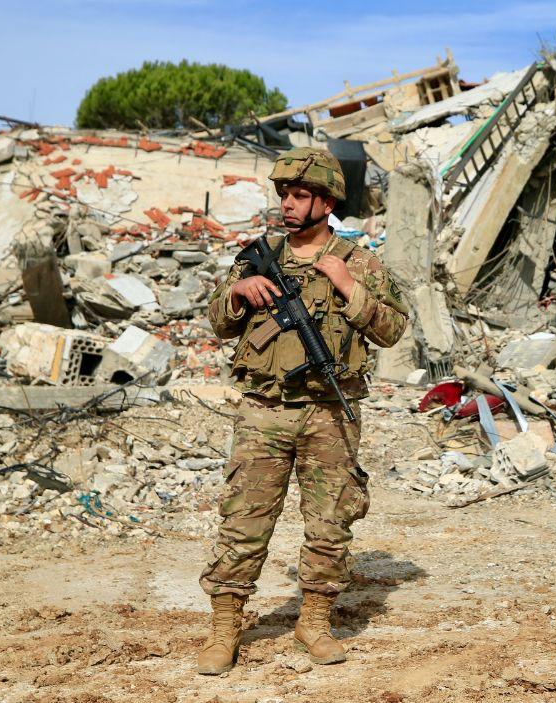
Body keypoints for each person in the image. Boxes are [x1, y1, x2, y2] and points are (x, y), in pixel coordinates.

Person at [196, 147, 409, 674]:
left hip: (329, 415)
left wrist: (347, 285)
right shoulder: (259, 255)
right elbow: (218, 321)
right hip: (263, 410)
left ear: (326, 201)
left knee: (330, 524)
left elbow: (393, 330)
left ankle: (313, 622)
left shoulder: (357, 260)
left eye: (299, 196)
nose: (288, 205)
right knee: (243, 523)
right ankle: (226, 628)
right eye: (284, 195)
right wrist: (240, 293)